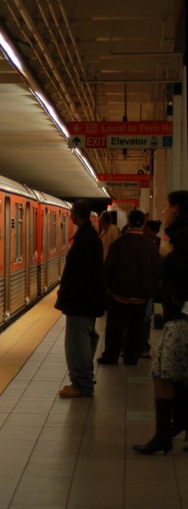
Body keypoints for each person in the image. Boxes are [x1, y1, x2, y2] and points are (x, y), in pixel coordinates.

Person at [133, 190, 188, 454]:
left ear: (176, 207)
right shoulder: (178, 233)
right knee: (178, 375)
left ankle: (164, 435)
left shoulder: (181, 236)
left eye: (165, 205)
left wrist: (168, 255)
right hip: (178, 313)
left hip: (182, 316)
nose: (162, 210)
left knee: (162, 373)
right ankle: (175, 428)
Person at [54, 199, 107, 397]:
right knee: (86, 339)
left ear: (76, 215)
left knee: (77, 343)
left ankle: (81, 384)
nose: (70, 216)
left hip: (80, 302)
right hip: (88, 301)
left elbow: (79, 274)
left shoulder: (84, 238)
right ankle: (84, 380)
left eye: (71, 213)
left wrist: (67, 296)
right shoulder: (90, 236)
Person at [97, 210, 161, 366]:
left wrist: (107, 286)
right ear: (143, 224)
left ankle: (111, 356)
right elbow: (157, 269)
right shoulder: (151, 245)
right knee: (136, 327)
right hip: (141, 296)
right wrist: (149, 290)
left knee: (115, 327)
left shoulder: (120, 243)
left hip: (120, 294)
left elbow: (109, 267)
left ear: (129, 221)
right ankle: (131, 357)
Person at [141, 220, 163, 358]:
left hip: (158, 288)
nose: (144, 231)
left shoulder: (161, 244)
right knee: (145, 317)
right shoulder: (142, 243)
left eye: (147, 229)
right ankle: (142, 346)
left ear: (154, 232)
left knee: (154, 316)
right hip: (145, 286)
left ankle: (146, 346)